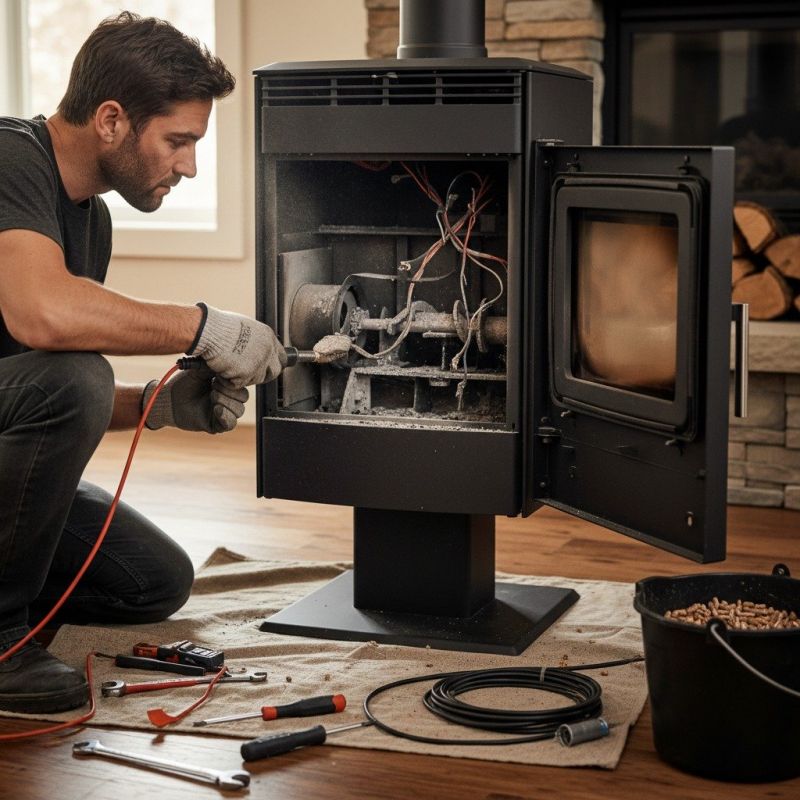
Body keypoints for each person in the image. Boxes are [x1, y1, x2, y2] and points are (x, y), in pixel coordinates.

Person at [0, 12, 285, 714]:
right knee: (77, 376)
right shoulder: (9, 159)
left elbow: (27, 390)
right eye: (178, 141)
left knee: (153, 581)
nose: (188, 164)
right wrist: (203, 328)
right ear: (110, 121)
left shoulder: (89, 218)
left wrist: (156, 406)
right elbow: (42, 318)